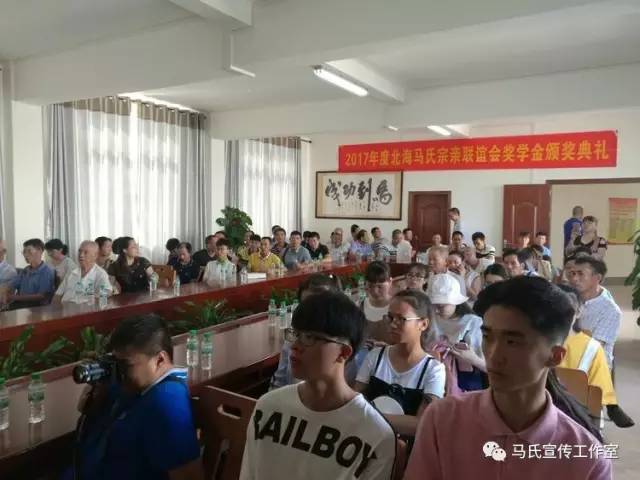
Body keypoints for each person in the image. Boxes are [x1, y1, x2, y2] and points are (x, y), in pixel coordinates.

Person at [406, 277, 611, 479]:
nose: (494, 355)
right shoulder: (443, 419)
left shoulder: (587, 458)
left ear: (555, 356)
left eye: (512, 342)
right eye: (487, 337)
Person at [240, 292, 396, 480]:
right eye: (295, 334)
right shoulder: (268, 406)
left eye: (310, 337)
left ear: (344, 352)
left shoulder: (375, 434)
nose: (295, 346)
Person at [67, 314, 202, 480]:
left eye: (126, 365)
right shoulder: (131, 385)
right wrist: (99, 389)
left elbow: (189, 476)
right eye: (114, 362)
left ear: (160, 360)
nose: (119, 371)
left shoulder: (167, 402)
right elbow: (86, 417)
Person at [355, 289, 445, 437]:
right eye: (390, 317)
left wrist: (370, 415)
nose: (393, 324)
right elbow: (355, 402)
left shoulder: (433, 369)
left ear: (423, 324)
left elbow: (422, 423)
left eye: (401, 319)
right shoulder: (375, 357)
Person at [557, 284, 634, 428]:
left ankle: (612, 406)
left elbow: (595, 397)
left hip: (571, 414)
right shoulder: (533, 342)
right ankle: (612, 406)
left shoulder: (591, 348)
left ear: (579, 311)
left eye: (568, 309)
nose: (561, 314)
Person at [270, 273, 343, 390]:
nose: (310, 311)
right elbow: (280, 378)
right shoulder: (293, 334)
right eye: (305, 304)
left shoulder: (341, 341)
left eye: (317, 305)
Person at [424, 274, 486, 393]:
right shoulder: (430, 318)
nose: (436, 310)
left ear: (455, 302)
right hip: (431, 376)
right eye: (433, 305)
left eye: (441, 306)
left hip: (464, 383)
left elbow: (487, 367)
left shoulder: (472, 323)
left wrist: (472, 358)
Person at [568, 257, 621, 370]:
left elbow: (593, 349)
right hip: (568, 359)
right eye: (573, 273)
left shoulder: (610, 310)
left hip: (593, 368)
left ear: (597, 278)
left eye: (581, 274)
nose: (574, 278)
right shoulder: (569, 299)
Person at [0, 238, 55, 309]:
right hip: (20, 305)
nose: (25, 255)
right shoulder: (26, 270)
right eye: (24, 252)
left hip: (36, 308)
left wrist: (13, 297)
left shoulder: (46, 271)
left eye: (29, 251)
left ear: (40, 250)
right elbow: (11, 284)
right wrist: (5, 291)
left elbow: (41, 296)